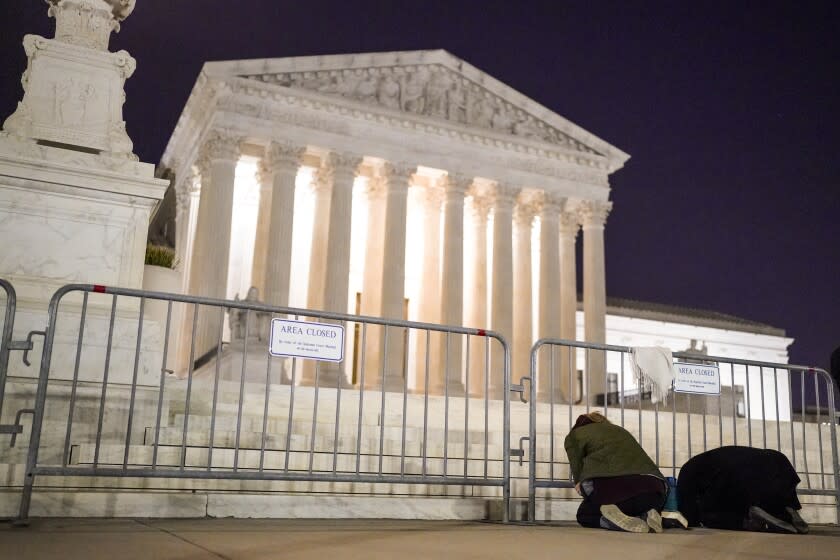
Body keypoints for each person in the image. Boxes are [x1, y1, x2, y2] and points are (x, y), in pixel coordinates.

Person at [564, 412, 668, 533]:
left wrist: (578, 482)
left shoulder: (575, 435)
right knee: (630, 504)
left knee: (584, 513)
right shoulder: (620, 430)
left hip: (615, 492)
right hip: (655, 492)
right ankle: (646, 514)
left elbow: (577, 465)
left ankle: (615, 522)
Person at [677, 446, 808, 534]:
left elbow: (690, 516)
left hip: (736, 472)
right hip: (776, 459)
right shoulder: (696, 464)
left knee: (709, 515)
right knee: (772, 493)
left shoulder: (686, 476)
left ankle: (748, 520)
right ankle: (788, 509)